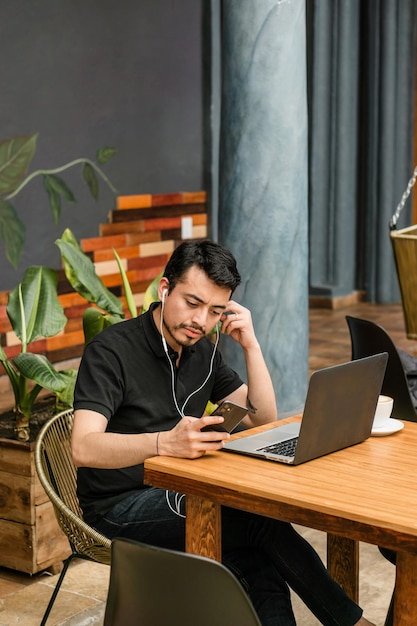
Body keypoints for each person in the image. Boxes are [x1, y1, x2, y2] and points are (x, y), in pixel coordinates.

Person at [71, 240, 375, 626]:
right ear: (165, 289)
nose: (200, 321)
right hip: (118, 507)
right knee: (257, 519)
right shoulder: (111, 350)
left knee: (257, 559)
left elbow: (261, 418)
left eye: (215, 311)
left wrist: (251, 346)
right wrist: (165, 442)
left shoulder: (204, 352)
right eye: (192, 303)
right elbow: (82, 446)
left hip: (185, 490)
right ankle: (352, 622)